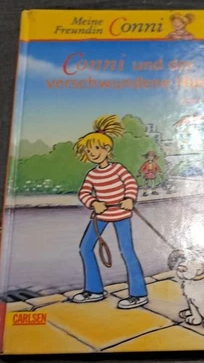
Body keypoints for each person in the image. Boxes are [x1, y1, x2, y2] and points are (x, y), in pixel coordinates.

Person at [72, 115, 148, 309]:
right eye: (89, 151)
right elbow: (84, 193)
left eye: (96, 148)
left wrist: (129, 199)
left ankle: (138, 294)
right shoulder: (92, 174)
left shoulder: (118, 169)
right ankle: (94, 290)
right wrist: (93, 202)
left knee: (126, 251)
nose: (93, 153)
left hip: (121, 215)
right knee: (85, 248)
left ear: (107, 149)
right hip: (100, 216)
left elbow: (131, 184)